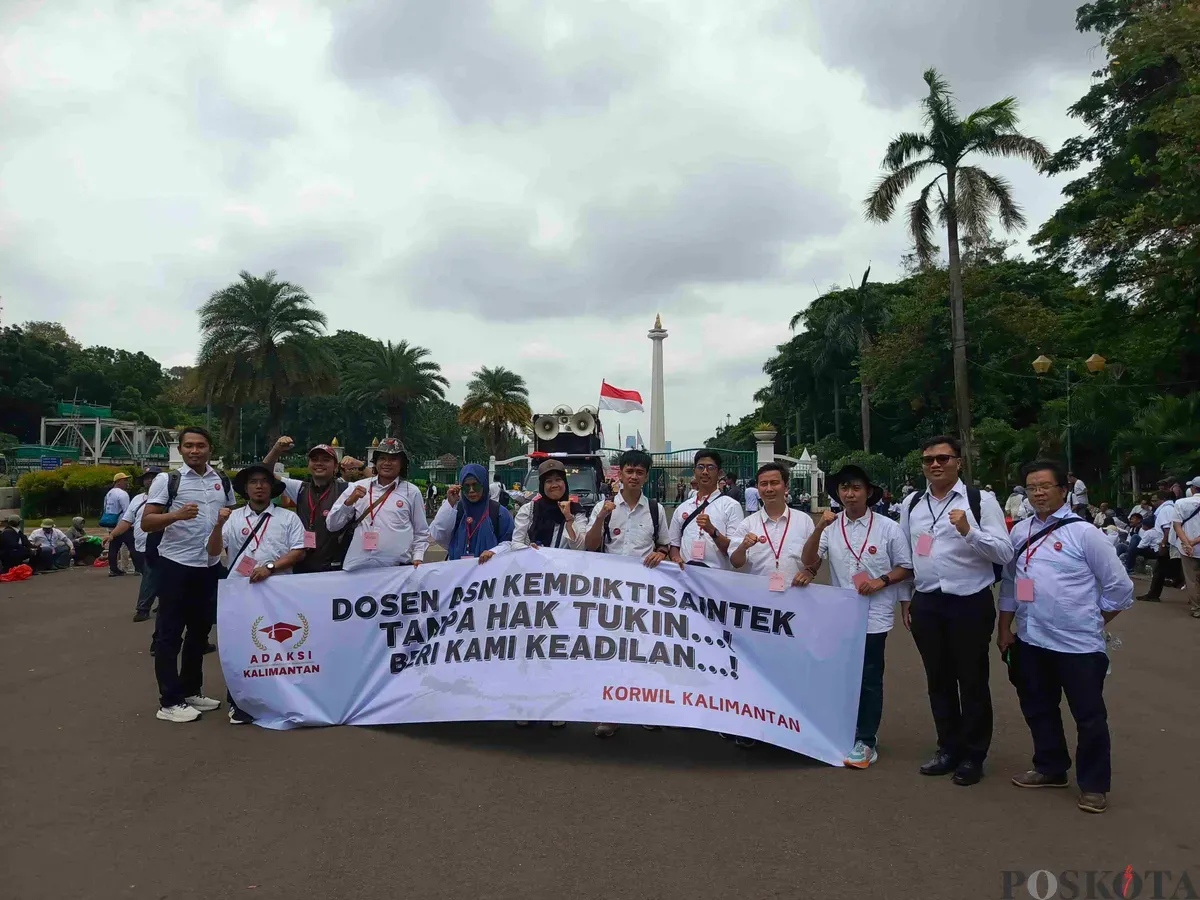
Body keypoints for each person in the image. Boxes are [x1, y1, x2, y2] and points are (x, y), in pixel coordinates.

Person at [997, 459, 1133, 815]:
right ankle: (1050, 766)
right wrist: (1004, 628)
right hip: (1030, 639)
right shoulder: (1020, 532)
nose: (1038, 493)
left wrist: (1092, 619)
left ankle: (1094, 785)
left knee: (1088, 716)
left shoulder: (1085, 533)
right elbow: (1011, 583)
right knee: (1038, 707)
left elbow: (1120, 587)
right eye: (1032, 487)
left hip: (1078, 645)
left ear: (1064, 489)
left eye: (1045, 486)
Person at [898, 435, 1014, 786]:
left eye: (943, 459)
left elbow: (1004, 553)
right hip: (929, 600)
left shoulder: (980, 501)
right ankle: (947, 747)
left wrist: (969, 531)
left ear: (959, 463)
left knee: (972, 679)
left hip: (969, 600)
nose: (935, 465)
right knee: (938, 679)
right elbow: (909, 555)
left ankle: (973, 755)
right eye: (928, 460)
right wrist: (908, 600)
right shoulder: (912, 503)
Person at [794, 465, 913, 767]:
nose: (850, 494)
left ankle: (867, 740)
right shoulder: (832, 528)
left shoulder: (888, 527)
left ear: (868, 492)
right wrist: (819, 527)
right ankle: (844, 731)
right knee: (843, 675)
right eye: (845, 488)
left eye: (856, 488)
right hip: (842, 614)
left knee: (870, 677)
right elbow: (809, 561)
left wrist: (881, 581)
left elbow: (906, 567)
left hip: (874, 615)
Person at [141, 427, 236, 724]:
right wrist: (176, 515)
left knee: (199, 632)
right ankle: (169, 701)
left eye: (201, 446)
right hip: (175, 565)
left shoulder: (221, 479)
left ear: (210, 448)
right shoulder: (168, 480)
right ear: (180, 449)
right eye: (189, 446)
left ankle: (191, 689)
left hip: (208, 565)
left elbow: (230, 515)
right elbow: (147, 522)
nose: (195, 451)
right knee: (169, 635)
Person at [724, 462, 816, 748]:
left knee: (792, 666)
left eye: (774, 483)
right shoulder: (748, 524)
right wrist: (743, 547)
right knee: (757, 668)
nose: (769, 489)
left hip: (796, 604)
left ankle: (790, 727)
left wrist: (810, 572)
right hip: (759, 607)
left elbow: (814, 559)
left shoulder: (804, 521)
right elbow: (736, 562)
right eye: (764, 484)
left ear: (785, 487)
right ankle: (755, 726)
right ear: (758, 489)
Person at [207, 463, 307, 724]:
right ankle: (239, 701)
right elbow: (213, 551)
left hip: (279, 592)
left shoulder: (288, 518)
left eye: (264, 481)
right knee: (241, 648)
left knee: (280, 648)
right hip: (241, 592)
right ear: (246, 488)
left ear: (272, 488)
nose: (259, 486)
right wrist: (218, 525)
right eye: (253, 482)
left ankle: (280, 698)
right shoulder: (234, 518)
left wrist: (271, 568)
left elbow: (299, 551)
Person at [585, 449, 672, 739]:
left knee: (645, 652)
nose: (634, 477)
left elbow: (664, 546)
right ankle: (610, 714)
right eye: (629, 471)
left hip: (644, 595)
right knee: (611, 653)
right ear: (619, 474)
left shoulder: (656, 510)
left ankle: (646, 709)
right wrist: (602, 517)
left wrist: (661, 554)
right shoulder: (604, 508)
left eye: (639, 472)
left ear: (646, 476)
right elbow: (590, 545)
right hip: (610, 593)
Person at [326, 438, 429, 571]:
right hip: (358, 567)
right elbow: (332, 525)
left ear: (402, 463)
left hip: (396, 570)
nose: (387, 463)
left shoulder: (412, 492)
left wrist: (418, 557)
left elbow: (421, 531)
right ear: (376, 462)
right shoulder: (358, 487)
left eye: (393, 459)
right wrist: (349, 502)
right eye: (382, 458)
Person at [264, 438, 348, 574]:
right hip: (301, 564)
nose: (319, 463)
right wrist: (276, 450)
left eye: (326, 460)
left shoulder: (346, 489)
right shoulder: (300, 488)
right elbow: (266, 473)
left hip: (334, 566)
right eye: (314, 459)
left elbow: (377, 484)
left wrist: (361, 466)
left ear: (336, 466)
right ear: (309, 464)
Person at [668, 450, 743, 570]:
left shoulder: (731, 506)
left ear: (720, 473)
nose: (705, 472)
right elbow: (674, 544)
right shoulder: (683, 507)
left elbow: (734, 551)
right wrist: (676, 558)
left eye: (710, 467)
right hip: (686, 576)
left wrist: (713, 531)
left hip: (716, 578)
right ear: (694, 472)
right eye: (700, 467)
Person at [428, 463, 514, 562]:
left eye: (475, 485)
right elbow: (437, 535)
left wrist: (494, 552)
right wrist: (450, 503)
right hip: (458, 572)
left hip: (489, 572)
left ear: (484, 485)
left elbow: (510, 543)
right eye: (466, 487)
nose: (471, 491)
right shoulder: (456, 510)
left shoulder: (498, 512)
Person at [108, 468, 163, 621]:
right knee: (152, 575)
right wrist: (113, 534)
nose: (150, 480)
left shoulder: (169, 499)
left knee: (150, 576)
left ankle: (142, 609)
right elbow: (127, 520)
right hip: (140, 546)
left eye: (154, 477)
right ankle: (164, 602)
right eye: (147, 477)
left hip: (160, 546)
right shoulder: (138, 499)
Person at [510, 460, 587, 552]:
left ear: (565, 483)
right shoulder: (529, 510)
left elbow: (581, 547)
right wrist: (529, 550)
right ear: (542, 486)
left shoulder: (576, 511)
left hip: (566, 565)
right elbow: (515, 543)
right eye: (549, 481)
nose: (554, 485)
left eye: (558, 479)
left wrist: (569, 518)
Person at [1138, 491, 1182, 602]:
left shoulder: (1165, 510)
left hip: (1167, 543)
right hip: (1173, 543)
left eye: (1154, 500)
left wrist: (1163, 544)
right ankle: (1153, 594)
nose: (1152, 503)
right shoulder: (1172, 508)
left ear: (1162, 499)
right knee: (1163, 569)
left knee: (1160, 569)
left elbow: (1167, 529)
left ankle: (1153, 595)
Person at [1166, 492, 1200, 617]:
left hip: (1187, 549)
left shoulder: (1180, 503)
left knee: (1191, 579)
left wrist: (1187, 544)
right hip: (1193, 545)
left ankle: (1197, 608)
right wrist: (1194, 542)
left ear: (1193, 488)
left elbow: (1177, 526)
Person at [103, 472, 133, 576]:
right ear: (119, 482)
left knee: (113, 547)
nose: (126, 482)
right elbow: (127, 510)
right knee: (133, 546)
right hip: (122, 524)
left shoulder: (109, 494)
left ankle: (113, 569)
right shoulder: (122, 494)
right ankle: (139, 567)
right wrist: (130, 523)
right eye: (125, 480)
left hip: (111, 524)